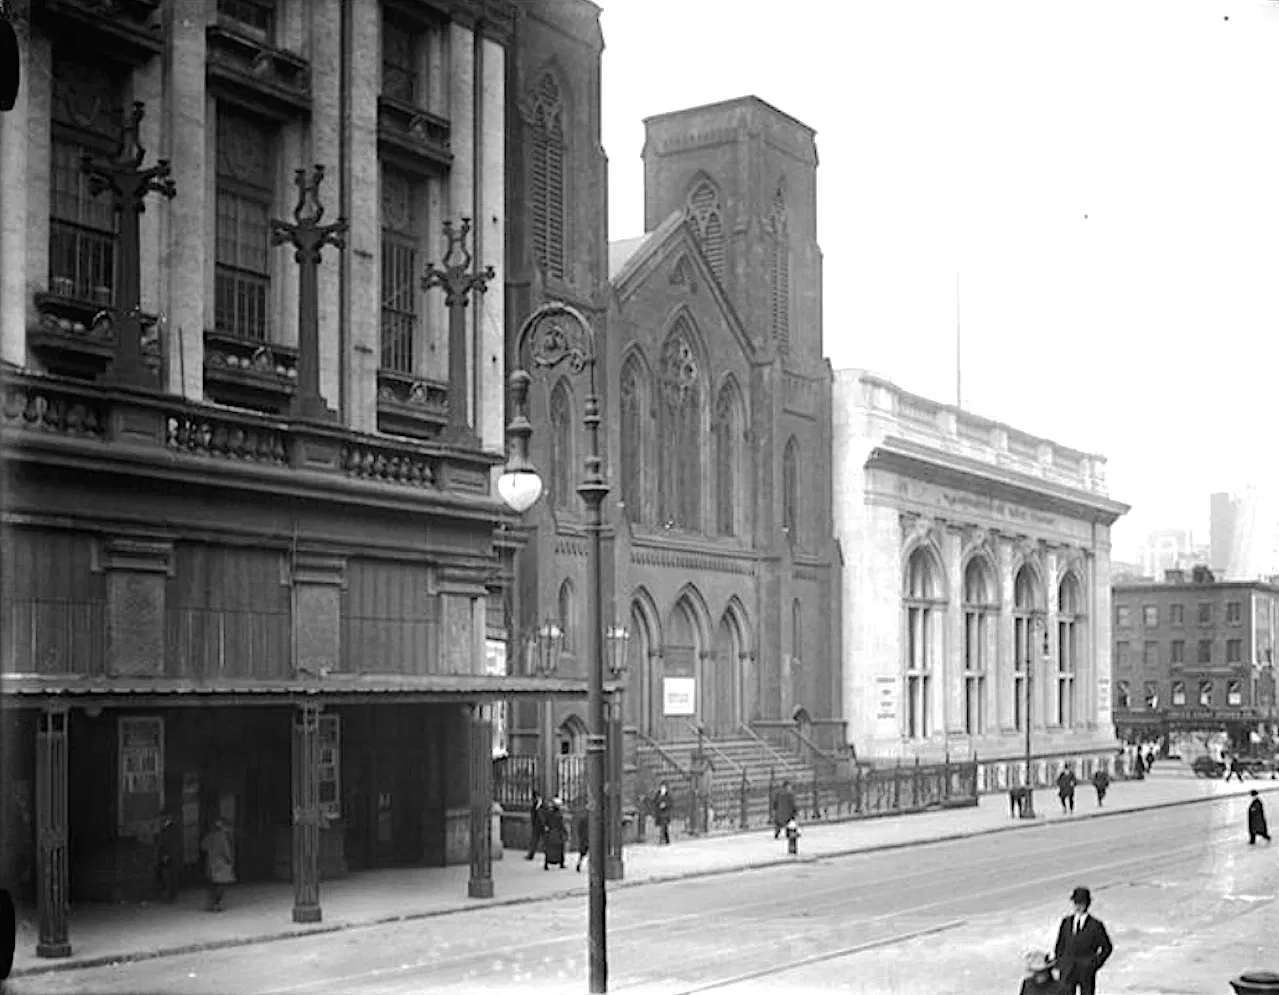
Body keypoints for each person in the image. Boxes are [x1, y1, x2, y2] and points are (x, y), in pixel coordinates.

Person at [1054, 886, 1113, 995]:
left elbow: (1107, 947)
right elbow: (1060, 944)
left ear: (1087, 904)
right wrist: (1060, 962)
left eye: (1081, 903)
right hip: (1067, 970)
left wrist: (1095, 964)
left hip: (1086, 971)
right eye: (1076, 902)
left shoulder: (1096, 925)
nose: (1078, 906)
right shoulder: (1066, 922)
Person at [199, 819, 235, 912]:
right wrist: (229, 860)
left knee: (213, 884)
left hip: (211, 862)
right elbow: (225, 850)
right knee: (221, 884)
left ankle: (211, 904)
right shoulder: (222, 836)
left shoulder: (210, 836)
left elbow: (203, 846)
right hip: (221, 863)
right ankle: (216, 903)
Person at [542, 797, 567, 870]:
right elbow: (561, 825)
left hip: (550, 833)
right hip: (558, 834)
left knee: (549, 849)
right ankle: (561, 863)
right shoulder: (559, 815)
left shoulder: (548, 814)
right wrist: (564, 833)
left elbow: (545, 822)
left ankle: (546, 863)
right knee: (560, 849)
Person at [525, 791, 546, 861]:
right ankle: (531, 854)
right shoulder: (535, 804)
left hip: (542, 825)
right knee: (534, 840)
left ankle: (548, 854)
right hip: (537, 825)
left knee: (545, 840)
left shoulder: (543, 804)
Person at [574, 805, 589, 872]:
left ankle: (579, 864)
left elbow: (579, 829)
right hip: (588, 838)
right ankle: (590, 865)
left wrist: (581, 837)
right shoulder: (592, 820)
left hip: (584, 838)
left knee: (582, 853)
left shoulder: (583, 820)